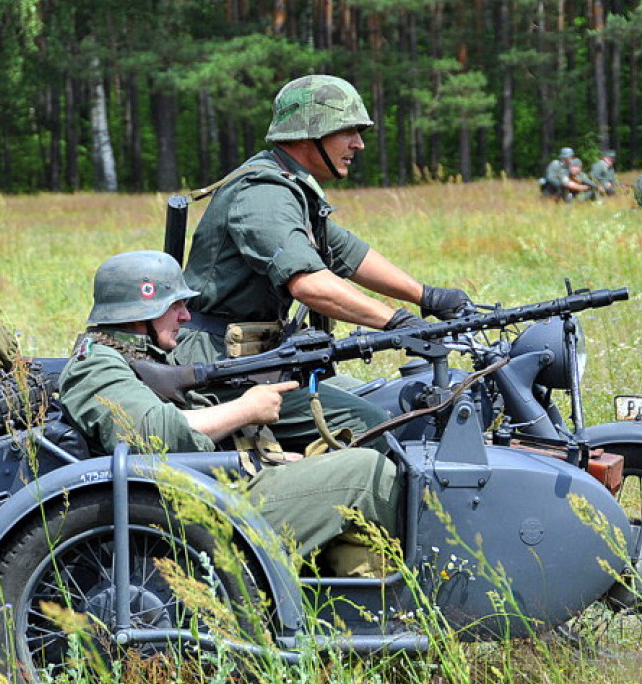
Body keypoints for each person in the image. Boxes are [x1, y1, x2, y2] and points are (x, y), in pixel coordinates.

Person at [58, 250, 401, 576]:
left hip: (212, 493)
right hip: (194, 516)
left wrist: (271, 459)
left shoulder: (144, 355)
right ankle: (412, 596)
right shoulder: (96, 366)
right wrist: (247, 409)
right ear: (140, 312)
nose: (185, 315)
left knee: (342, 452)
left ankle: (367, 601)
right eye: (174, 305)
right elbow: (153, 434)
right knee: (367, 472)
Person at [175, 74, 470, 452]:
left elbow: (348, 254)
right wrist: (394, 322)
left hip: (253, 358)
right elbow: (308, 283)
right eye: (347, 131)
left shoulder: (289, 185)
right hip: (220, 366)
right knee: (377, 427)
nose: (358, 144)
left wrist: (427, 297)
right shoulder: (264, 192)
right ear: (310, 132)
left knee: (385, 396)